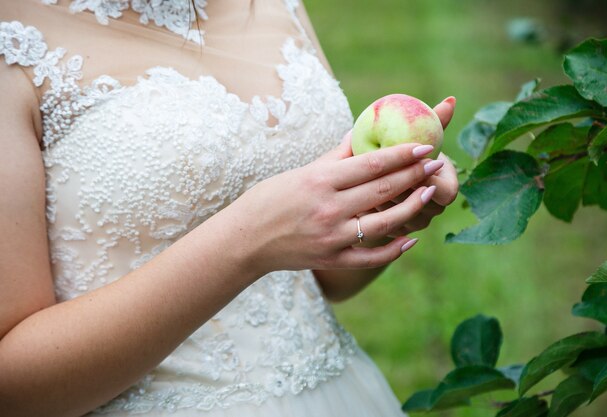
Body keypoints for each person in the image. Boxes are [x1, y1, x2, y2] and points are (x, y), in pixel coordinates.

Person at [0, 0, 458, 416]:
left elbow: (326, 281)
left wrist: (387, 204)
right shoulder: (15, 37)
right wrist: (249, 239)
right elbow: (13, 389)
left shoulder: (279, 6)